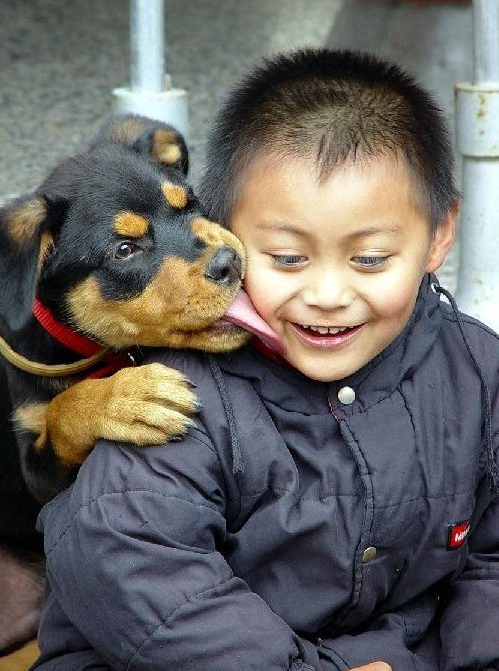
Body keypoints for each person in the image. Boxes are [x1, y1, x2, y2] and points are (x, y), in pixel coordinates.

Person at [31, 48, 499, 671]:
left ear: (440, 233)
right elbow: (125, 554)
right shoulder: (172, 393)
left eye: (368, 259)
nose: (327, 295)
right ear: (222, 230)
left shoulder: (477, 373)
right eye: (287, 258)